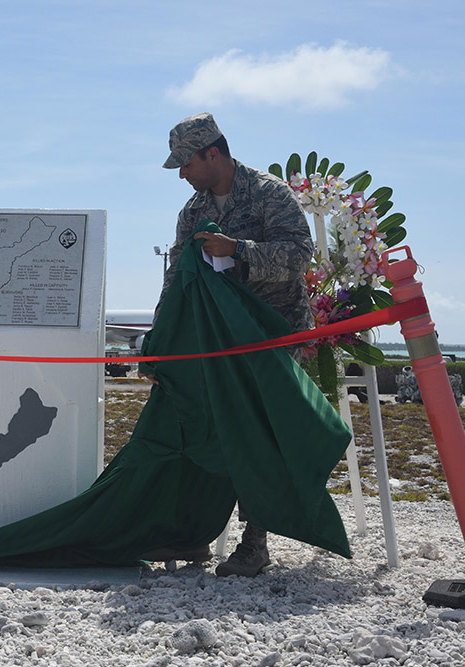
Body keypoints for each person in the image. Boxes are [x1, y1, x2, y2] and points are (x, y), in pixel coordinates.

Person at [151, 112, 315, 577]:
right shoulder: (192, 211)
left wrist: (239, 249)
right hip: (219, 337)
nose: (182, 173)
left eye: (187, 163)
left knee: (256, 430)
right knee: (202, 421)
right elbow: (178, 275)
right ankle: (194, 533)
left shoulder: (268, 194)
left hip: (274, 333)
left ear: (214, 153)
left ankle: (255, 543)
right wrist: (160, 336)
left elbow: (300, 256)